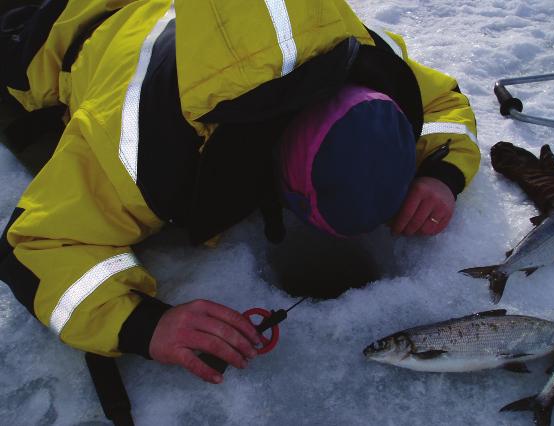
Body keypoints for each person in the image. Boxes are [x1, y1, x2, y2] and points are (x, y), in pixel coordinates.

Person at [0, 0, 480, 386]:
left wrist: (442, 173)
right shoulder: (136, 143)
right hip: (50, 30)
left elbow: (442, 101)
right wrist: (146, 325)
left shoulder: (357, 47)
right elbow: (34, 243)